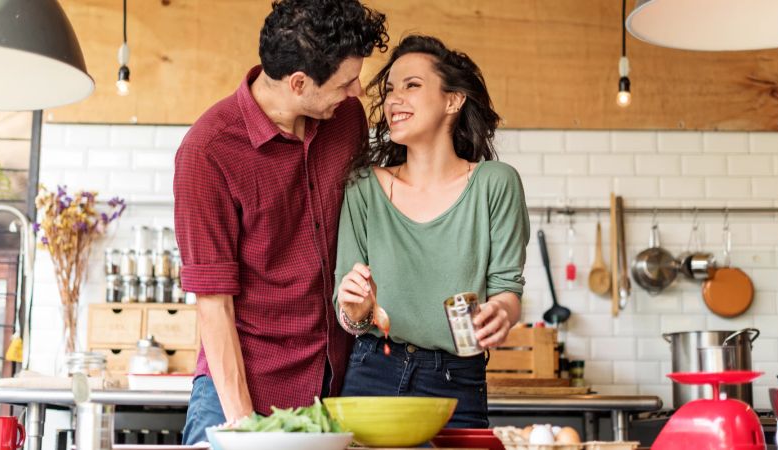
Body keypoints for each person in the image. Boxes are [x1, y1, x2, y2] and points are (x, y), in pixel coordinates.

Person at [173, 0, 388, 444]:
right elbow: (213, 305)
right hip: (241, 390)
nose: (358, 92)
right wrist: (246, 427)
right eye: (347, 81)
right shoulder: (207, 153)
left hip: (333, 387)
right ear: (298, 83)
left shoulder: (344, 120)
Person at [334, 35, 530, 428]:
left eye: (412, 85)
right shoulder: (363, 189)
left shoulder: (496, 183)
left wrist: (501, 313)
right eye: (390, 89)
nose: (393, 99)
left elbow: (507, 288)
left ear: (453, 101)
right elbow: (349, 311)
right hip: (373, 370)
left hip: (456, 378)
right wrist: (355, 310)